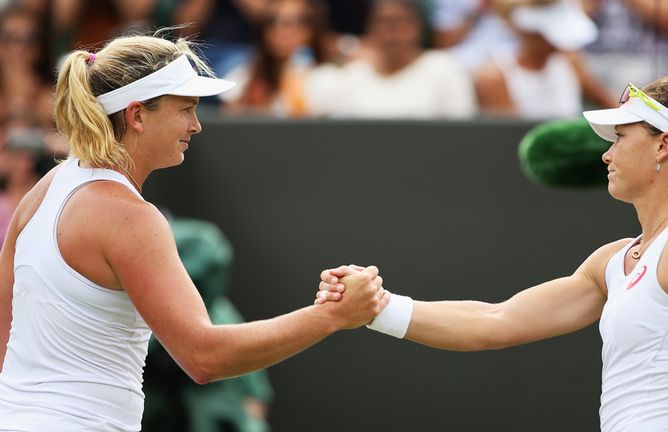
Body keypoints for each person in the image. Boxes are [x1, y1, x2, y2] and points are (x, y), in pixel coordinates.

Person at [318, 74, 668, 431]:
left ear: (664, 144)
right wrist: (378, 307)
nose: (607, 155)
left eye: (620, 137)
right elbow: (495, 321)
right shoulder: (613, 260)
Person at [0, 31, 388, 431]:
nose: (196, 125)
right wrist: (333, 315)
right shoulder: (131, 218)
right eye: (186, 109)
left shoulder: (45, 189)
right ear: (137, 115)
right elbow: (205, 357)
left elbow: (4, 325)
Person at [317, 0, 477, 119]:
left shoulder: (445, 68)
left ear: (418, 27)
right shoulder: (352, 75)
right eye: (383, 22)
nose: (392, 32)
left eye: (400, 22)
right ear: (370, 28)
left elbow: (462, 129)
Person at [475, 0, 615, 119]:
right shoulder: (494, 77)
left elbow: (612, 105)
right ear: (530, 32)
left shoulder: (571, 63)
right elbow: (507, 136)